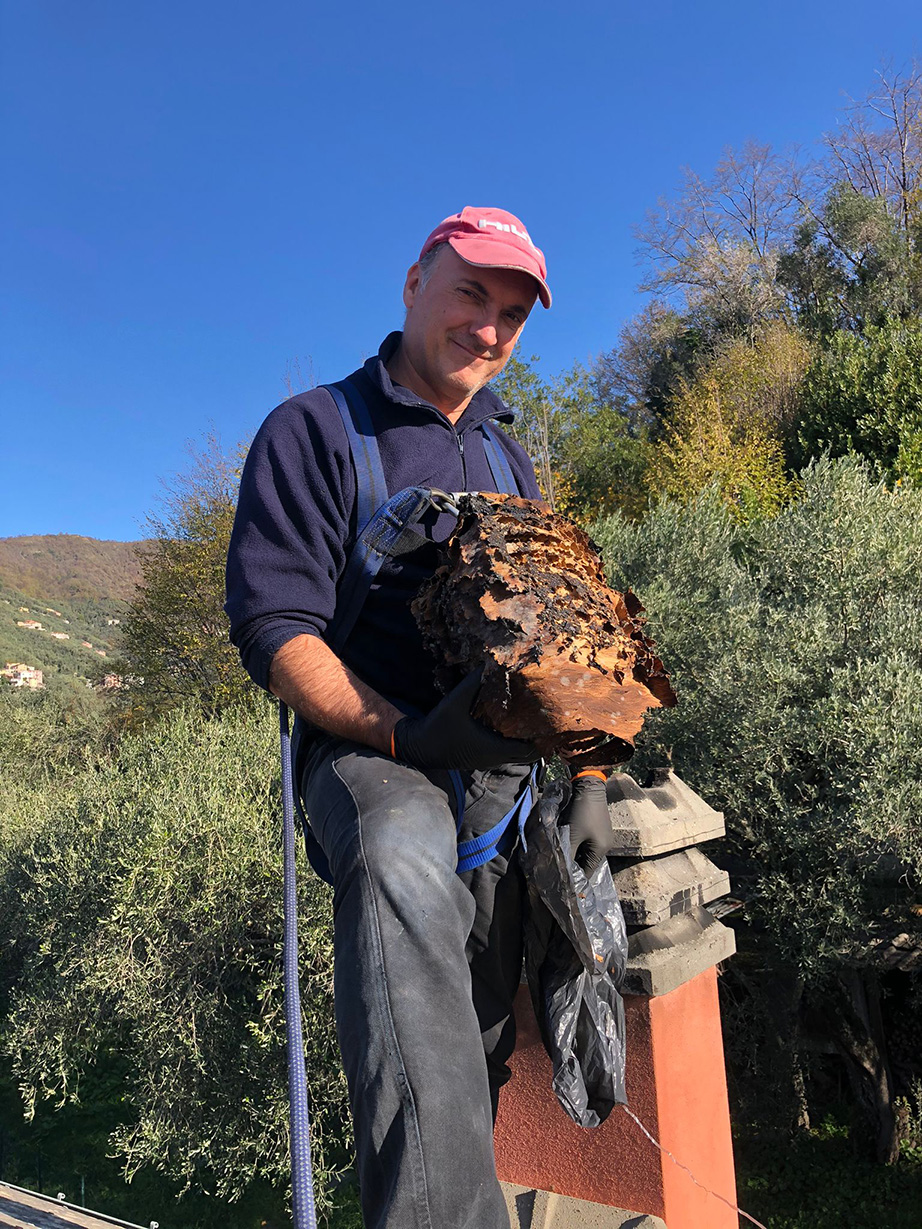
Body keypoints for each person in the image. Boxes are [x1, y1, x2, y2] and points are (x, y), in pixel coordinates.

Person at [225, 206, 613, 1229]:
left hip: (499, 773)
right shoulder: (314, 431)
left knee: (473, 1027)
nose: (488, 329)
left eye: (511, 315)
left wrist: (588, 775)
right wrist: (405, 734)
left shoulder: (509, 458)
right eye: (471, 294)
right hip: (369, 755)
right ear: (413, 283)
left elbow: (558, 635)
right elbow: (275, 629)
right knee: (400, 852)